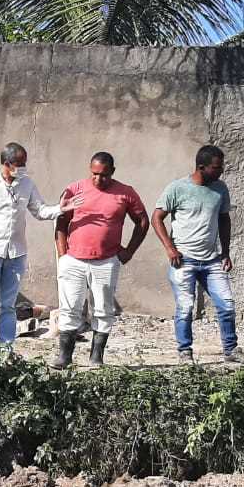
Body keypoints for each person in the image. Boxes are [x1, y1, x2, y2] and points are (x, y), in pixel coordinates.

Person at [0, 142, 82, 344]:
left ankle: (5, 349)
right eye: (20, 163)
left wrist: (61, 208)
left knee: (8, 305)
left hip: (16, 253)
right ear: (7, 163)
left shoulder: (26, 184)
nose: (24, 167)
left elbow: (40, 211)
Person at [50, 152, 149, 368]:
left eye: (103, 175)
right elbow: (61, 223)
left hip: (106, 261)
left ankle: (96, 357)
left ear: (112, 171)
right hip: (73, 260)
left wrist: (129, 251)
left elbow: (142, 221)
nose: (98, 179)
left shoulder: (126, 193)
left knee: (103, 309)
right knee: (70, 307)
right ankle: (64, 357)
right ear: (89, 169)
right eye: (94, 174)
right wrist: (62, 255)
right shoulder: (75, 189)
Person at [151, 145, 239, 364]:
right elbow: (156, 218)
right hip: (184, 260)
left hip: (211, 260)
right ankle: (185, 351)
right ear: (201, 167)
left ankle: (231, 350)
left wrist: (225, 252)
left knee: (226, 304)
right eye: (216, 168)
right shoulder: (177, 188)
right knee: (185, 308)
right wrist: (170, 248)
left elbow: (224, 219)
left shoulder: (220, 189)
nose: (221, 171)